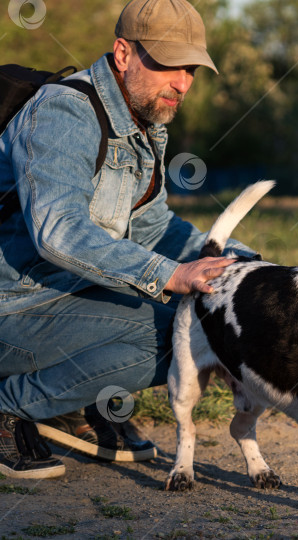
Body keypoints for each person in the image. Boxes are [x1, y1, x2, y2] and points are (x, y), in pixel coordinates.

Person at [0, 0, 256, 478]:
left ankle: (65, 402)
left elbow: (153, 227)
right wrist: (171, 275)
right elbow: (58, 230)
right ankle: (12, 405)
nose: (181, 82)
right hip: (13, 304)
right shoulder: (65, 112)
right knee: (179, 333)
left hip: (59, 298)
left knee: (204, 318)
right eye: (167, 64)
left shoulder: (141, 118)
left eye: (191, 69)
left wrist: (245, 270)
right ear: (123, 53)